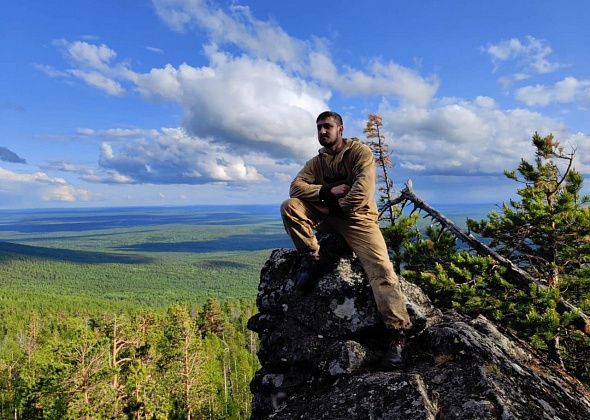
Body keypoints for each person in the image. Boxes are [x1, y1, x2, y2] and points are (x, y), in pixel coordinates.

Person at [281, 110, 415, 369]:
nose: (322, 132)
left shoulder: (359, 154)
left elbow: (361, 195)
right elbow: (295, 188)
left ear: (340, 129)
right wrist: (326, 190)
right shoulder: (316, 162)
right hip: (330, 215)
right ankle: (314, 257)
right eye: (319, 127)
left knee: (382, 270)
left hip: (359, 219)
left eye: (327, 126)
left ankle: (397, 335)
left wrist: (329, 206)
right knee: (290, 207)